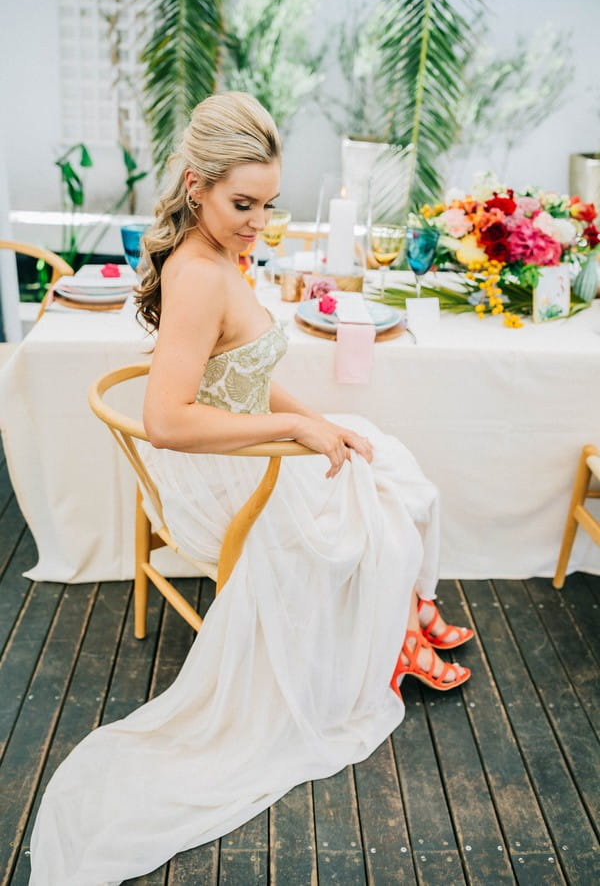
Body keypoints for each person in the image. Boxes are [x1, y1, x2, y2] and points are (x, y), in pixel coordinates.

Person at [29, 92, 473, 885]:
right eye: (242, 204)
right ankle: (400, 625)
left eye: (268, 206)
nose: (257, 224)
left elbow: (249, 377)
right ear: (195, 185)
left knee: (386, 463)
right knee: (375, 510)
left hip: (246, 442)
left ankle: (405, 615)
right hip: (221, 475)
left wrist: (317, 422)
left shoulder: (219, 253)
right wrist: (298, 435)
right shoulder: (198, 275)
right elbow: (166, 419)